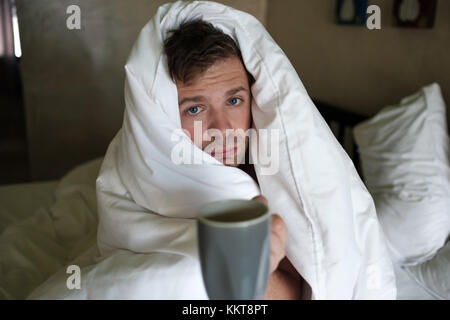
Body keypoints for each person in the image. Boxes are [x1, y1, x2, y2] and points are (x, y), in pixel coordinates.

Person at [163, 19, 310, 300]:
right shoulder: (146, 172)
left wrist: (255, 272)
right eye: (195, 108)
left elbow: (297, 292)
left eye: (234, 101)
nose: (223, 129)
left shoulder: (270, 176)